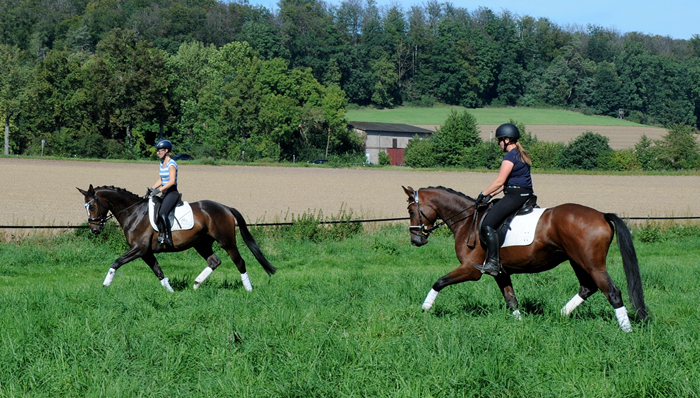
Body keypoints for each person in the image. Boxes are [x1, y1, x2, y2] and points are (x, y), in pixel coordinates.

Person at [474, 123, 533, 276]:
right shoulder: (520, 154)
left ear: (506, 140)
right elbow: (507, 183)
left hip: (515, 196)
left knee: (487, 225)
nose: (499, 143)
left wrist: (482, 193)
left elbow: (499, 181)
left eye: (499, 140)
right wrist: (490, 195)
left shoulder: (510, 157)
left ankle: (493, 263)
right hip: (524, 194)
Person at [150, 139, 179, 248]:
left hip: (172, 192)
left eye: (160, 151)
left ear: (166, 150)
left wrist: (159, 190)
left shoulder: (172, 164)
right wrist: (152, 189)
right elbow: (161, 180)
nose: (158, 153)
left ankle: (168, 238)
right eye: (157, 151)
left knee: (163, 213)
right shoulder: (162, 163)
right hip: (164, 192)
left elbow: (171, 181)